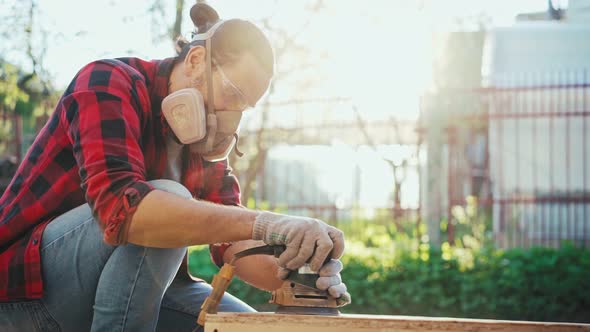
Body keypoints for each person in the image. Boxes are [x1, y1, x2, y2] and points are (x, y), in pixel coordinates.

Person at [0, 4, 350, 332]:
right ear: (196, 60)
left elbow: (232, 240)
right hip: (25, 294)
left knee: (242, 325)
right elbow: (125, 212)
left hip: (127, 289)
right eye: (233, 93)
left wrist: (300, 269)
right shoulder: (106, 82)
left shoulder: (201, 142)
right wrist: (269, 223)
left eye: (245, 106)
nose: (233, 116)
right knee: (163, 198)